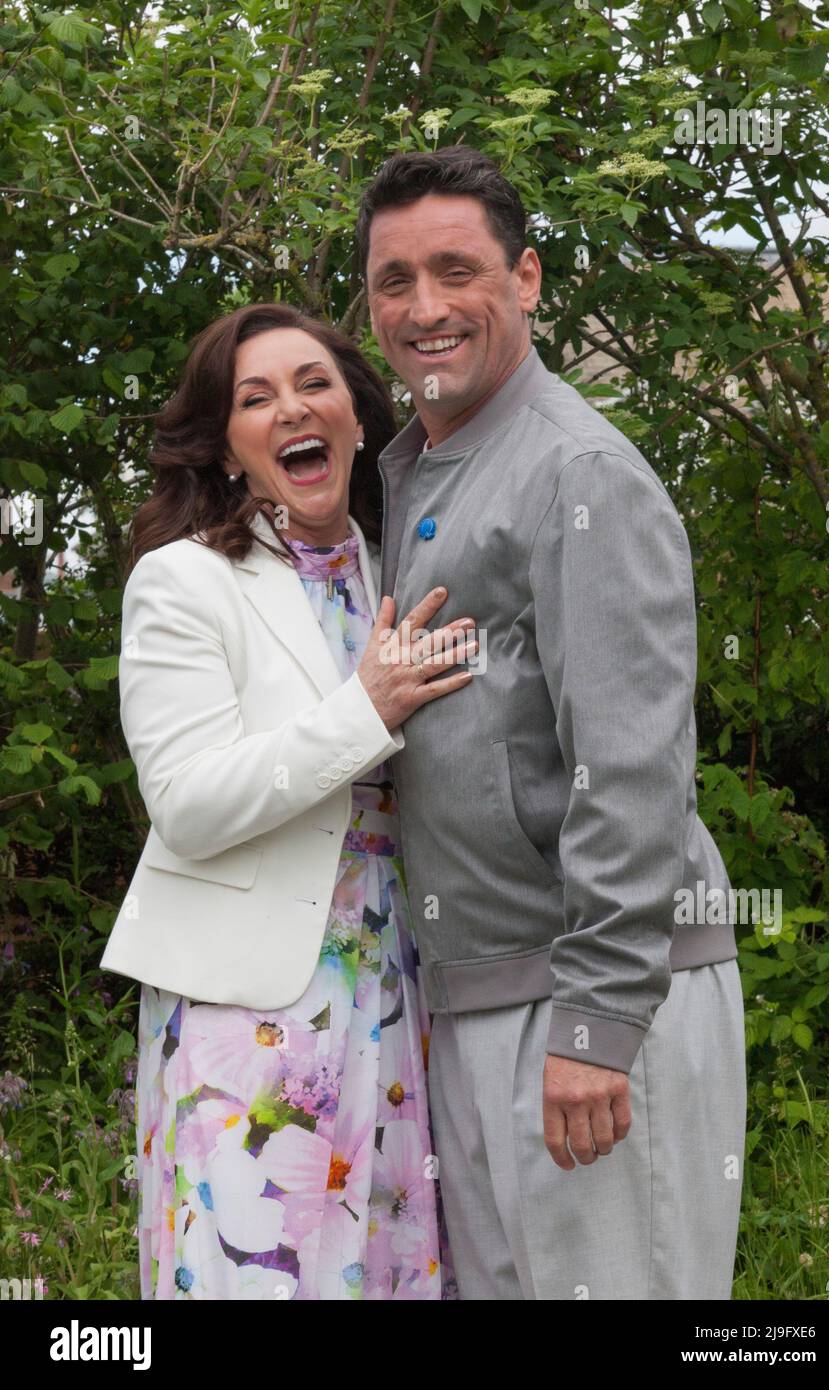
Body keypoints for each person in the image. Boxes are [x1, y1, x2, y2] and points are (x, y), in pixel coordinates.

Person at [354, 145, 748, 1300]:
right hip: (476, 998)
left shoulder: (579, 470)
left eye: (455, 269)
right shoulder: (415, 470)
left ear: (524, 280)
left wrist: (597, 1016)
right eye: (392, 281)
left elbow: (630, 766)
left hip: (587, 999)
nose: (423, 308)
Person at [100, 303, 474, 1299]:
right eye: (253, 398)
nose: (290, 408)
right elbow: (186, 803)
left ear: (355, 415)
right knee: (259, 1271)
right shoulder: (184, 583)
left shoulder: (415, 570)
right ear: (227, 449)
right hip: (249, 1006)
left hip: (404, 993)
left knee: (389, 1267)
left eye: (313, 383)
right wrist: (365, 708)